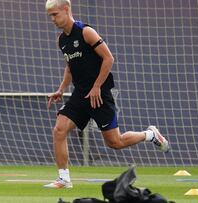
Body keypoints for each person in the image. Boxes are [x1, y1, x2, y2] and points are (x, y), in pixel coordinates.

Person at [44, 0, 169, 189]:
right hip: (80, 95)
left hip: (100, 94)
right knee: (59, 130)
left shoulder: (86, 32)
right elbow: (70, 66)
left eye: (55, 14)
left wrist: (96, 86)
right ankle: (64, 179)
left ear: (66, 9)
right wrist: (61, 89)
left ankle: (150, 135)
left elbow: (109, 58)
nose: (52, 19)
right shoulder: (61, 40)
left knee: (115, 142)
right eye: (50, 16)